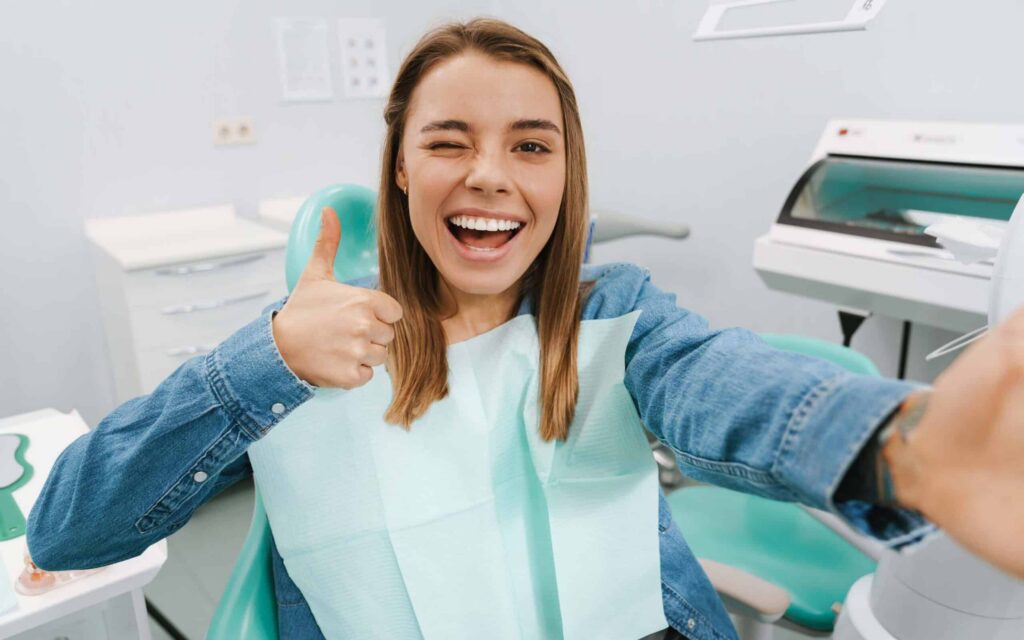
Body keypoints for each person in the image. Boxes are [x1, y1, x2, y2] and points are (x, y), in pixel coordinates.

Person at [26, 17, 1024, 640]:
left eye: (529, 144)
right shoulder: (307, 346)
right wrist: (263, 365)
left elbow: (726, 384)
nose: (491, 173)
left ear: (563, 175)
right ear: (403, 170)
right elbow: (69, 527)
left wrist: (904, 444)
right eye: (448, 142)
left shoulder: (609, 316)